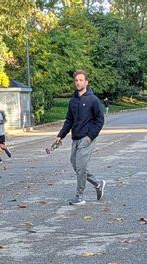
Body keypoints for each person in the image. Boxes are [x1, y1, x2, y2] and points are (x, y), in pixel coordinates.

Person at [52, 70, 105, 206]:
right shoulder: (73, 101)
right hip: (75, 137)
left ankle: (79, 196)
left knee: (81, 167)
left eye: (81, 80)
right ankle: (97, 183)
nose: (78, 82)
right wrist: (60, 135)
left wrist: (90, 137)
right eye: (76, 80)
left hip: (87, 138)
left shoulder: (93, 100)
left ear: (86, 82)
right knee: (75, 164)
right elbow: (69, 120)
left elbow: (100, 120)